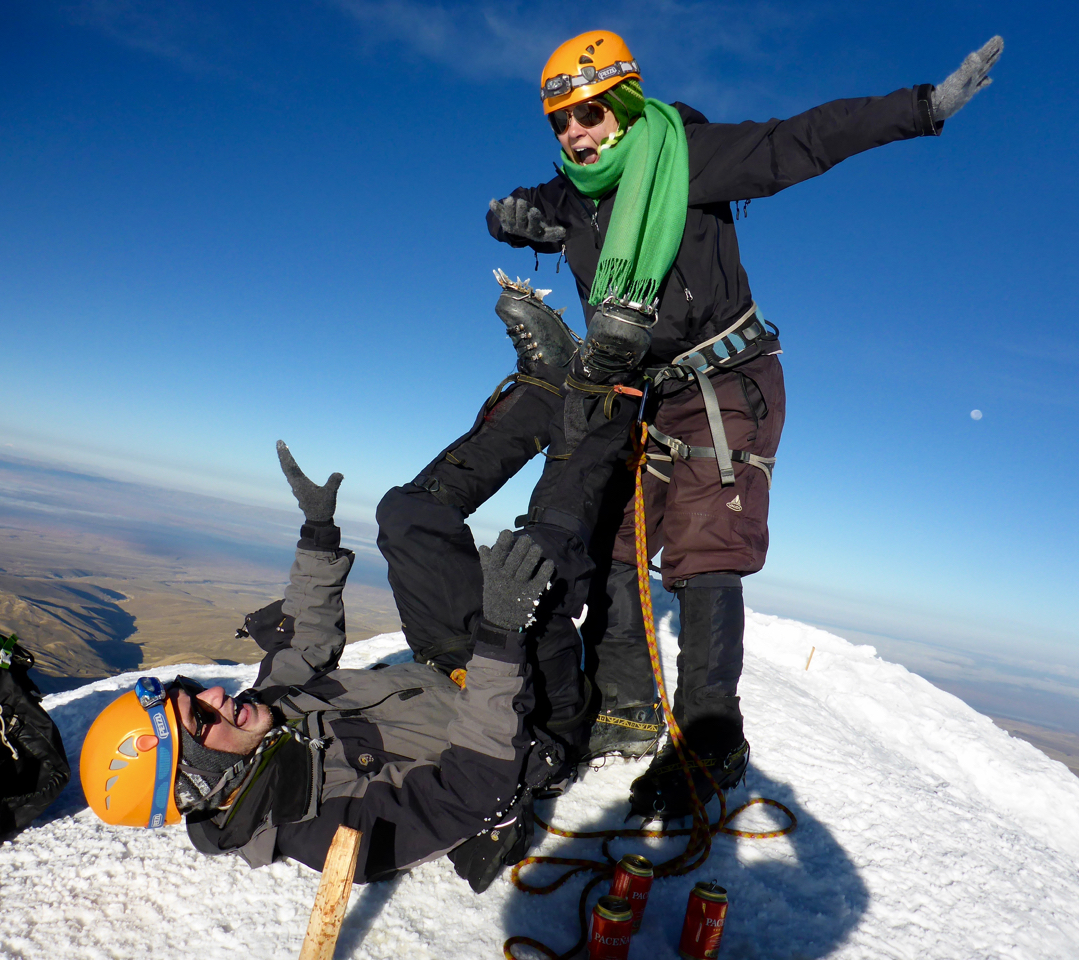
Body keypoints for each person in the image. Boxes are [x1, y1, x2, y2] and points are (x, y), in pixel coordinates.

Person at [378, 30, 1004, 820]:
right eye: (560, 121)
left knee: (706, 552)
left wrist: (922, 108)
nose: (575, 133)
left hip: (726, 380)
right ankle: (626, 709)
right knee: (615, 542)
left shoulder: (688, 156)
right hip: (643, 390)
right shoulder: (571, 195)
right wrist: (510, 221)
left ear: (627, 104)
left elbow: (799, 142)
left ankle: (710, 741)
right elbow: (530, 209)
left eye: (590, 112)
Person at [80, 445, 565, 891]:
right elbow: (472, 792)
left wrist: (317, 530)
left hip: (455, 668)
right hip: (523, 717)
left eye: (193, 690)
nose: (217, 696)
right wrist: (501, 637)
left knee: (405, 515)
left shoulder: (262, 720)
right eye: (201, 719)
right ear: (199, 781)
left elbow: (306, 641)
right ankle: (599, 399)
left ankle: (540, 393)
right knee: (552, 551)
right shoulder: (328, 831)